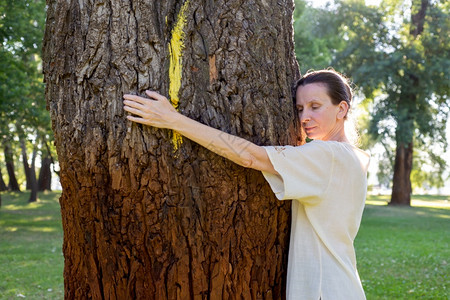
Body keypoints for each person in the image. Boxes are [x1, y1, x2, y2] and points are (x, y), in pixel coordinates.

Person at [123, 69, 370, 300]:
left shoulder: (326, 155)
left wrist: (173, 120)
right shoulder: (354, 157)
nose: (304, 117)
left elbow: (249, 156)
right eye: (300, 108)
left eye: (315, 107)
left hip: (323, 289)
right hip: (341, 285)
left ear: (341, 109)